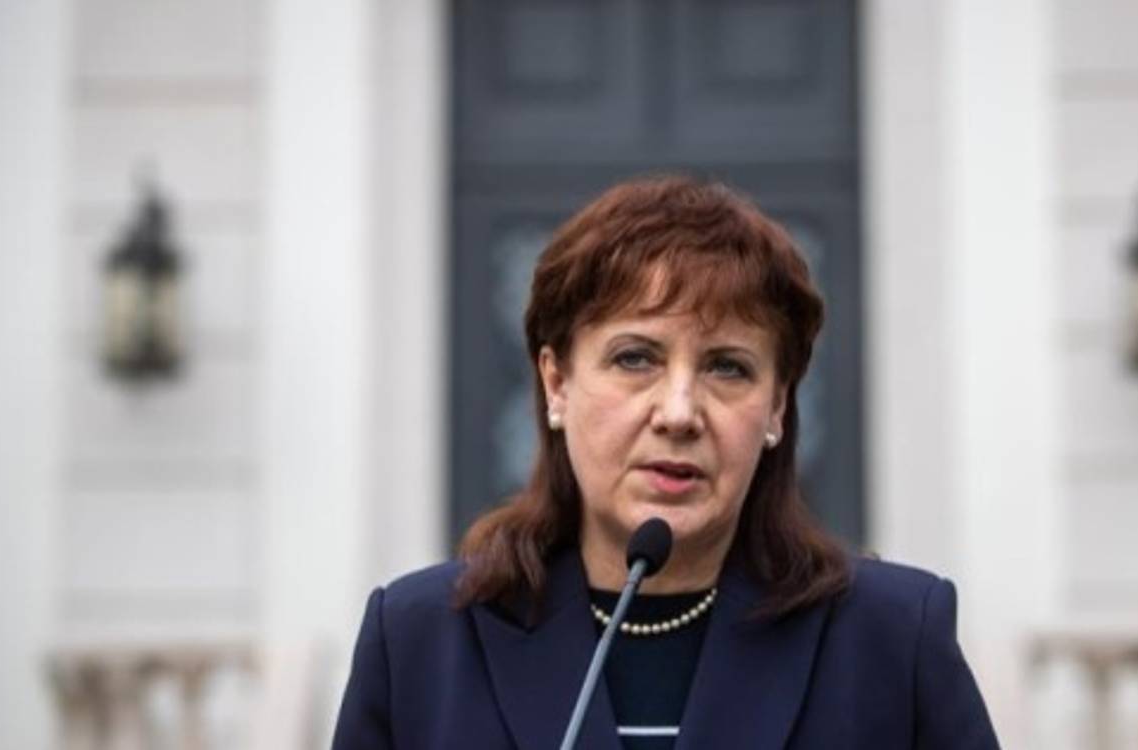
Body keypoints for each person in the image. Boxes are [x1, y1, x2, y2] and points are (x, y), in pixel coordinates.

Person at [332, 176, 1000, 749]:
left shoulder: (891, 640)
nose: (679, 413)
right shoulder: (418, 643)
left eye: (727, 367)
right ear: (556, 384)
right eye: (635, 358)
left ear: (776, 407)